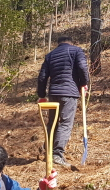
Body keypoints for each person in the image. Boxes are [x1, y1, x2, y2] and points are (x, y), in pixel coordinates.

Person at [37, 36, 90, 168]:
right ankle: (57, 154)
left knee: (52, 123)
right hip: (69, 93)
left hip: (54, 93)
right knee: (65, 123)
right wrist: (84, 83)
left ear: (58, 44)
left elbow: (42, 77)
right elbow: (82, 67)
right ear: (71, 42)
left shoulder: (50, 55)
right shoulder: (76, 51)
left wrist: (41, 95)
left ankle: (48, 151)